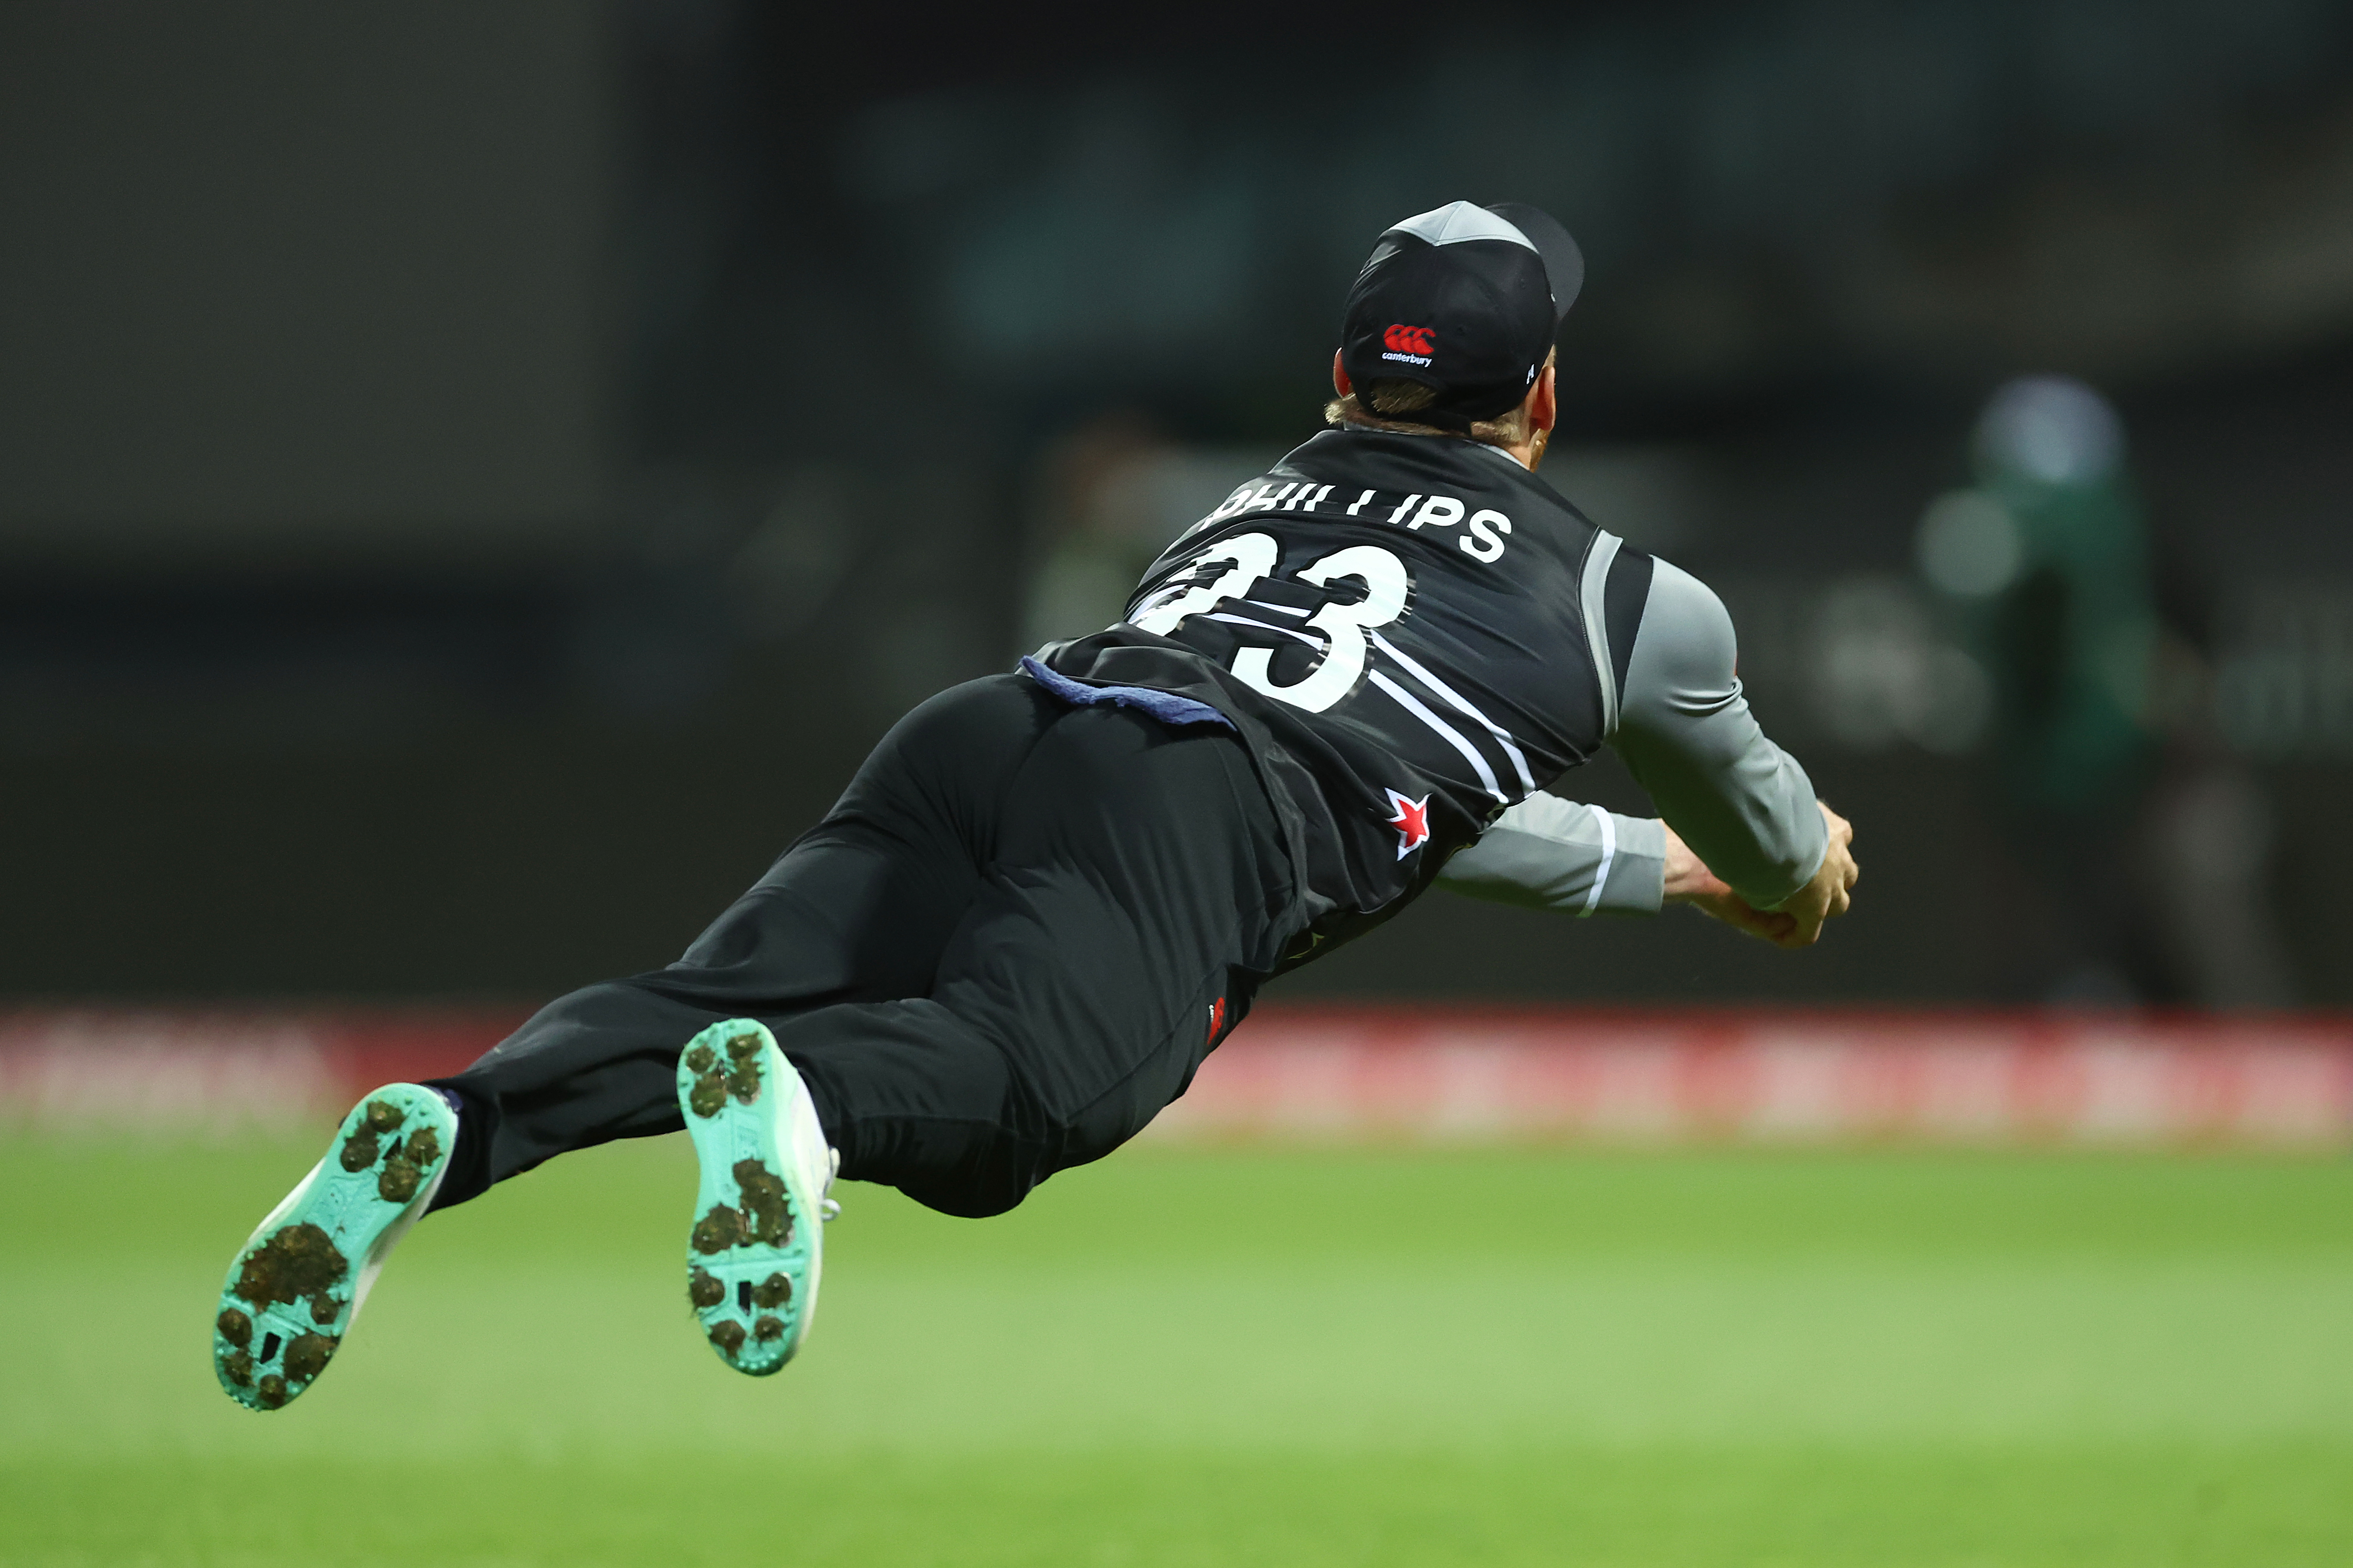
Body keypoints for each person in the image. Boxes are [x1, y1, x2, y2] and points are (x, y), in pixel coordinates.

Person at [211, 200, 1859, 1411]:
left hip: (1003, 724)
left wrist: (1646, 869)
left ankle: (455, 1125)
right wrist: (1772, 877)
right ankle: (807, 1101)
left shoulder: (1253, 494)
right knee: (1028, 1106)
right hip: (1194, 809)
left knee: (710, 999)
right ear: (1545, 398)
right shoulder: (1631, 601)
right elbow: (1773, 844)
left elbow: (1429, 785)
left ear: (1338, 381)